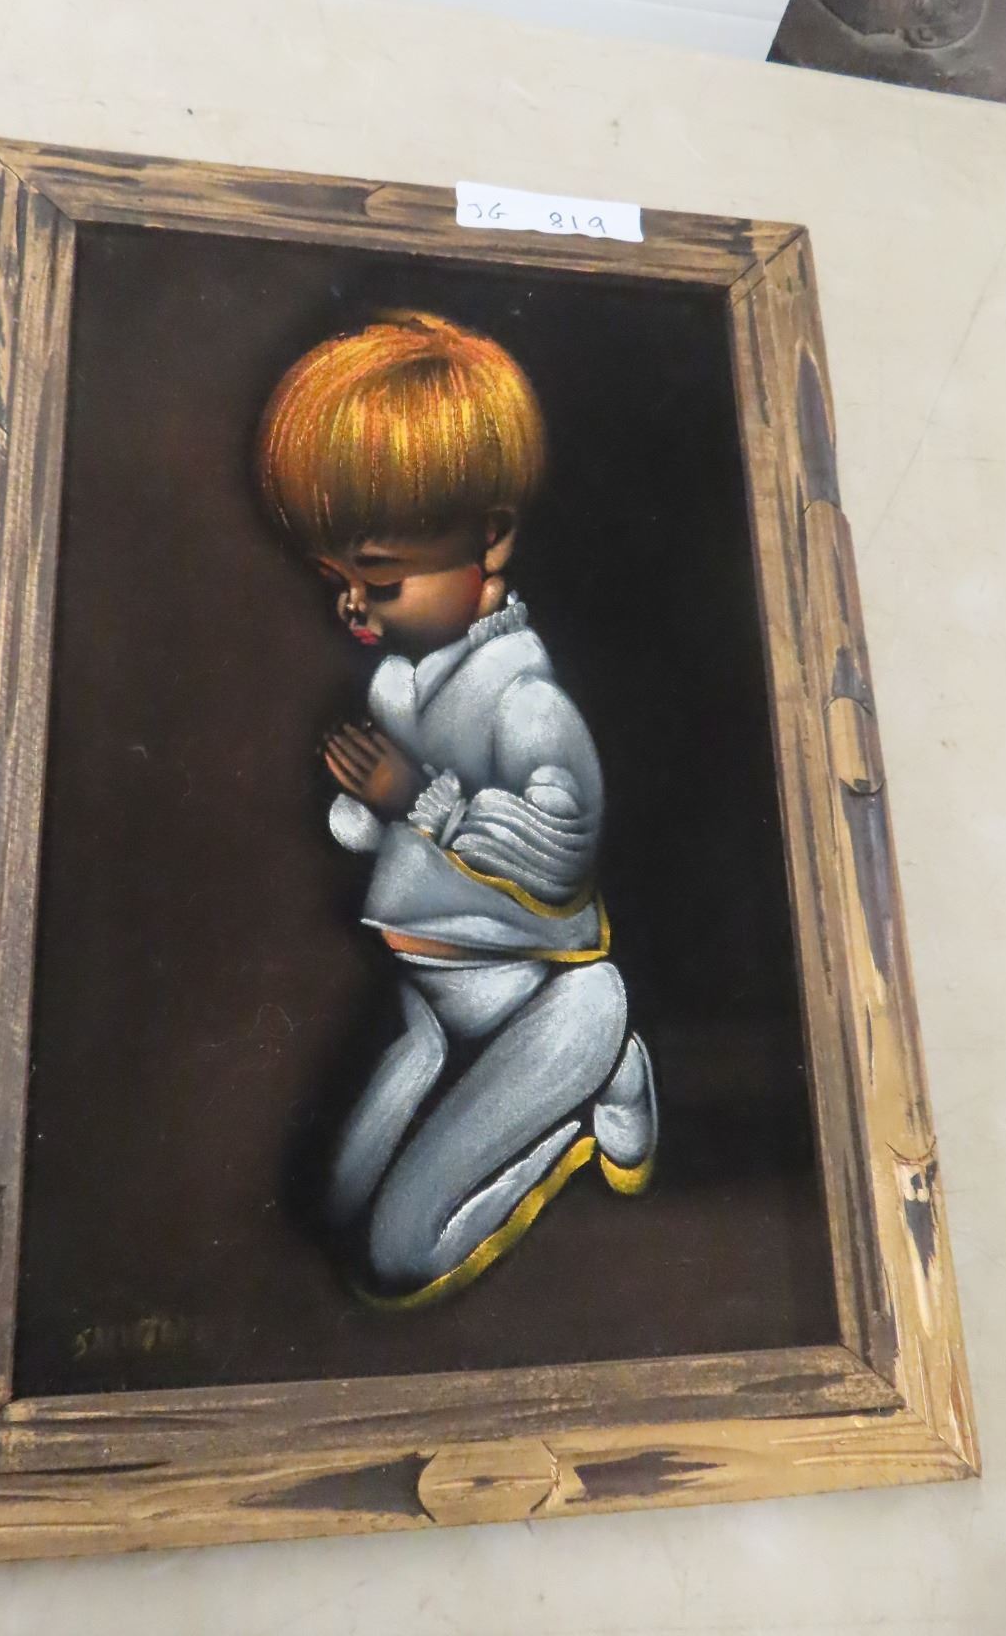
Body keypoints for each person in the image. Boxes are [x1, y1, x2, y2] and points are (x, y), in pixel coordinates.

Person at [257, 309, 657, 1307]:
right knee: (332, 1206)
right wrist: (366, 814)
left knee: (397, 1258)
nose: (353, 606)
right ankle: (556, 1089)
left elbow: (562, 851)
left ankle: (596, 1083)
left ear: (492, 536)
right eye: (338, 579)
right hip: (430, 1004)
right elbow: (393, 834)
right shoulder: (399, 681)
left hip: (549, 999)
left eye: (381, 579)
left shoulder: (525, 698)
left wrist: (415, 799)